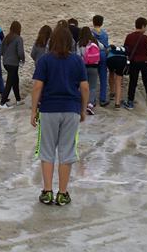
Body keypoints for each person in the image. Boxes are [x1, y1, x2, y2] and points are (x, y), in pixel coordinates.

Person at [31, 27, 88, 206]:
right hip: (71, 109)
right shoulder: (77, 61)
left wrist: (33, 110)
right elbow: (85, 87)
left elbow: (37, 87)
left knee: (46, 150)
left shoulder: (44, 60)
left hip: (48, 109)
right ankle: (63, 193)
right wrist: (83, 109)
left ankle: (47, 191)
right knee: (67, 152)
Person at [123, 17, 147, 110]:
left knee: (133, 82)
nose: (146, 29)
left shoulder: (129, 36)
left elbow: (126, 49)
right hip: (144, 62)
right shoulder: (144, 37)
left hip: (134, 61)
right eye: (145, 27)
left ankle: (130, 102)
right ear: (142, 26)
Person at [0, 20, 26, 108]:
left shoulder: (7, 37)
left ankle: (18, 100)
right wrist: (22, 59)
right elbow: (20, 52)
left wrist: (7, 56)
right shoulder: (18, 38)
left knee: (15, 80)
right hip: (13, 63)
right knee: (10, 82)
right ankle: (2, 103)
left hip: (6, 62)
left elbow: (1, 51)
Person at [79, 26, 102, 115]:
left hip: (83, 67)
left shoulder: (80, 43)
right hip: (94, 67)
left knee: (82, 86)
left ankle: (82, 104)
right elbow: (102, 47)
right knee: (92, 86)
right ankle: (90, 104)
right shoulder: (95, 42)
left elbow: (78, 56)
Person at [91, 15, 110, 107]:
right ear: (102, 23)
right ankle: (102, 99)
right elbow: (107, 48)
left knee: (92, 78)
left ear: (93, 22)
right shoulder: (104, 34)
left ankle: (92, 100)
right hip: (102, 54)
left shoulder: (90, 33)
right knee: (103, 77)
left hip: (93, 55)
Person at [105, 44, 128, 108]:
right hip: (122, 60)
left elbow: (106, 53)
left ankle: (112, 92)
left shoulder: (110, 48)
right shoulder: (123, 49)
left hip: (111, 59)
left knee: (111, 74)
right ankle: (117, 103)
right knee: (118, 81)